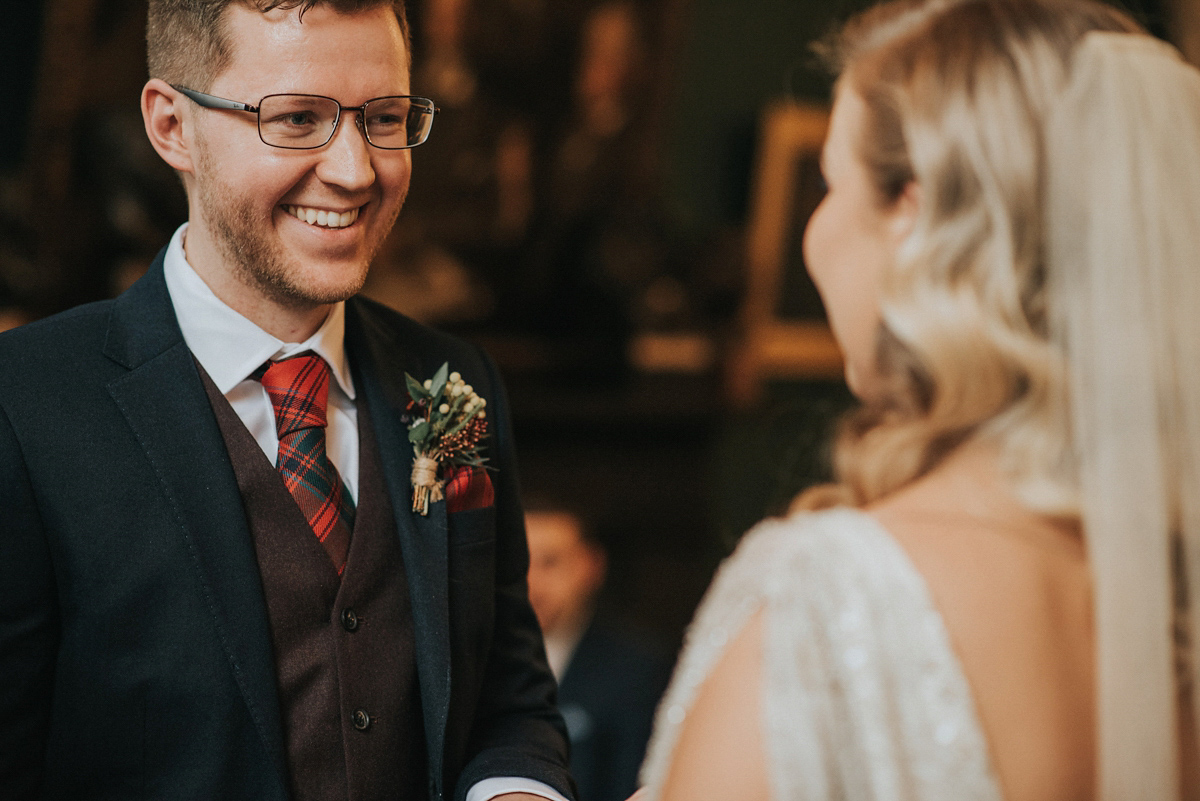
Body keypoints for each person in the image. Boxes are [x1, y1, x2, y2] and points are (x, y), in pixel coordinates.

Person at [0, 2, 575, 800]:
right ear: (171, 126)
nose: (356, 170)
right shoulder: (22, 404)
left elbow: (504, 692)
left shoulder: (451, 385)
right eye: (297, 119)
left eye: (385, 117)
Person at [636, 0, 1200, 799]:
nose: (815, 233)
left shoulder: (833, 594)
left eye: (830, 185)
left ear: (913, 211)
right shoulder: (1168, 589)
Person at [525, 507, 670, 801]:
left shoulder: (636, 667)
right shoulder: (475, 661)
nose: (532, 582)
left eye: (549, 562)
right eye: (519, 564)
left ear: (590, 565)